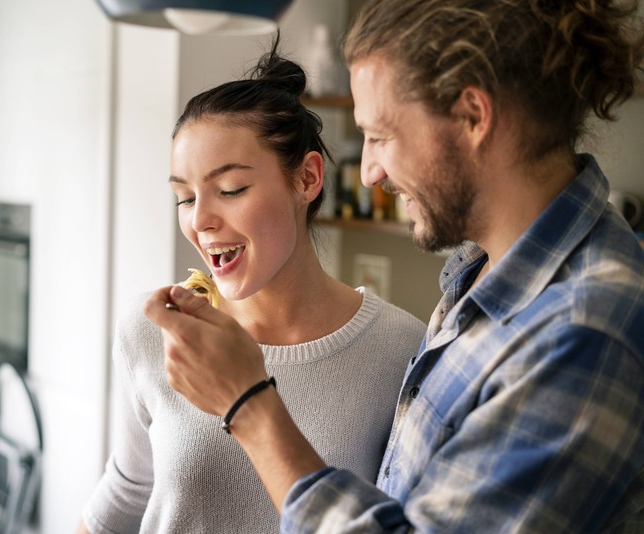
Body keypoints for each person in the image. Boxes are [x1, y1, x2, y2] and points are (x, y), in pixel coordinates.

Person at [144, 0, 644, 532]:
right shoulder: (480, 275)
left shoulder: (583, 327)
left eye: (380, 136)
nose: (369, 173)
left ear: (473, 116)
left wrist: (248, 404)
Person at [76, 39, 426, 534]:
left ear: (306, 178)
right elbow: (128, 492)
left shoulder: (401, 350)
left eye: (231, 190)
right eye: (184, 197)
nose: (200, 220)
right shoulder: (154, 330)